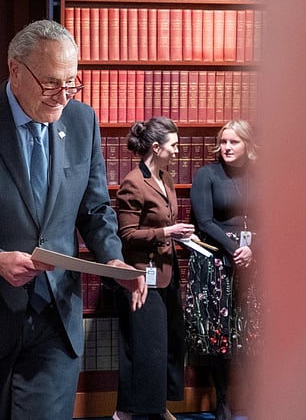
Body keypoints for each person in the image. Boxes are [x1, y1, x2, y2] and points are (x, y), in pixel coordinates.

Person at [0, 19, 147, 420]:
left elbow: (93, 210)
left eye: (72, 83)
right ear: (16, 71)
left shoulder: (82, 121)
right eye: (51, 83)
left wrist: (113, 259)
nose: (63, 97)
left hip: (55, 311)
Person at [112, 117, 193, 420]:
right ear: (157, 147)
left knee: (168, 344)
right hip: (142, 277)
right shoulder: (134, 182)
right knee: (146, 348)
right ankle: (132, 412)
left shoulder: (166, 178)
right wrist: (167, 233)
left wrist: (181, 235)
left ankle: (155, 407)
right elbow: (127, 235)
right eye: (173, 145)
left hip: (168, 274)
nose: (178, 150)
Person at [187, 119, 259, 420]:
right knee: (221, 336)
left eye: (234, 142)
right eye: (224, 142)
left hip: (253, 262)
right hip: (216, 264)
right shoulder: (208, 174)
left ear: (248, 146)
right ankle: (223, 399)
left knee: (251, 335)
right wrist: (234, 250)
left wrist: (253, 248)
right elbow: (204, 222)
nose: (227, 148)